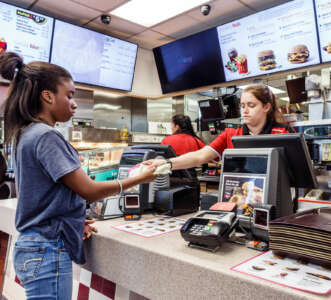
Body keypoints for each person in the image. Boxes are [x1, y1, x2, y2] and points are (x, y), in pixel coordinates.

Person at [0, 52, 156, 300]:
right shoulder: (46, 136)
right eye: (69, 95)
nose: (74, 103)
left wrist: (71, 222)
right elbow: (89, 189)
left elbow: (45, 194)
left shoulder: (26, 133)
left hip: (35, 246)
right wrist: (139, 178)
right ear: (48, 96)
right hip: (47, 249)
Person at [144, 84, 294, 171]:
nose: (245, 110)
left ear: (266, 107)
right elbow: (199, 156)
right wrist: (166, 163)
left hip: (275, 201)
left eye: (251, 105)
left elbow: (297, 171)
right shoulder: (231, 134)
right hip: (239, 197)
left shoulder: (283, 132)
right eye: (242, 106)